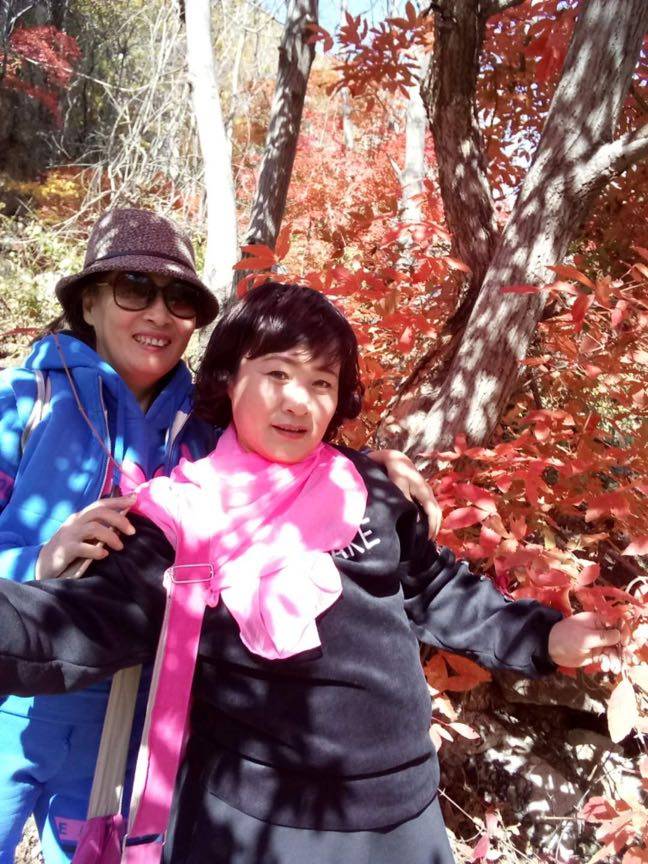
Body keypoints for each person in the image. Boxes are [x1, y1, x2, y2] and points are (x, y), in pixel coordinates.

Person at [0, 283, 618, 864]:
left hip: (404, 816)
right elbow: (79, 626)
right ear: (228, 380)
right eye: (276, 374)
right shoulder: (179, 517)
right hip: (254, 823)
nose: (298, 401)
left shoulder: (367, 487)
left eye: (322, 382)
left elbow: (436, 591)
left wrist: (545, 638)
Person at [0, 214, 438, 863]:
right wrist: (37, 559)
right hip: (14, 702)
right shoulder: (22, 403)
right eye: (134, 288)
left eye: (180, 298)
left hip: (131, 718)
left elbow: (277, 460)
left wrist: (365, 465)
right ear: (88, 302)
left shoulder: (204, 424)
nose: (158, 313)